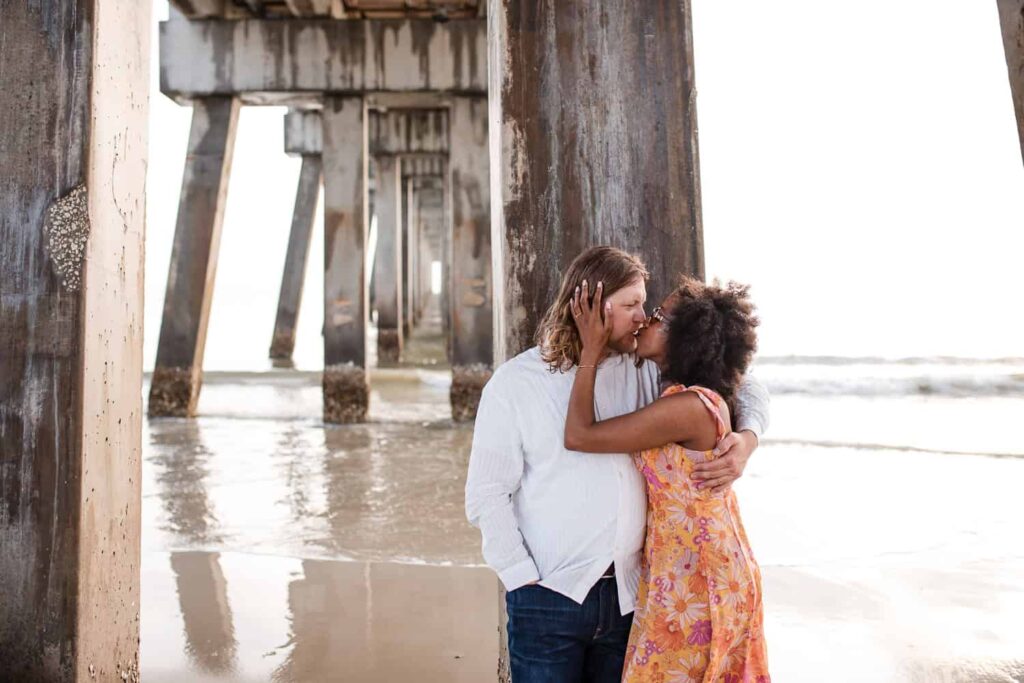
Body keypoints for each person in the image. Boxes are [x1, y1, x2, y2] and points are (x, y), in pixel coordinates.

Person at [464, 246, 770, 682]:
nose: (642, 317)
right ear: (588, 305)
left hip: (632, 595)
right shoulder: (515, 383)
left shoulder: (645, 368)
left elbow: (746, 380)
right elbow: (487, 494)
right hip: (549, 595)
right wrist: (521, 578)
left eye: (646, 306)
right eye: (631, 305)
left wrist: (748, 437)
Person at [564, 276, 770, 682]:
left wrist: (590, 351)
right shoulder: (690, 396)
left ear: (686, 335)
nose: (645, 320)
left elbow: (580, 436)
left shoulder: (689, 406)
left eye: (657, 316)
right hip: (688, 569)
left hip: (700, 577)